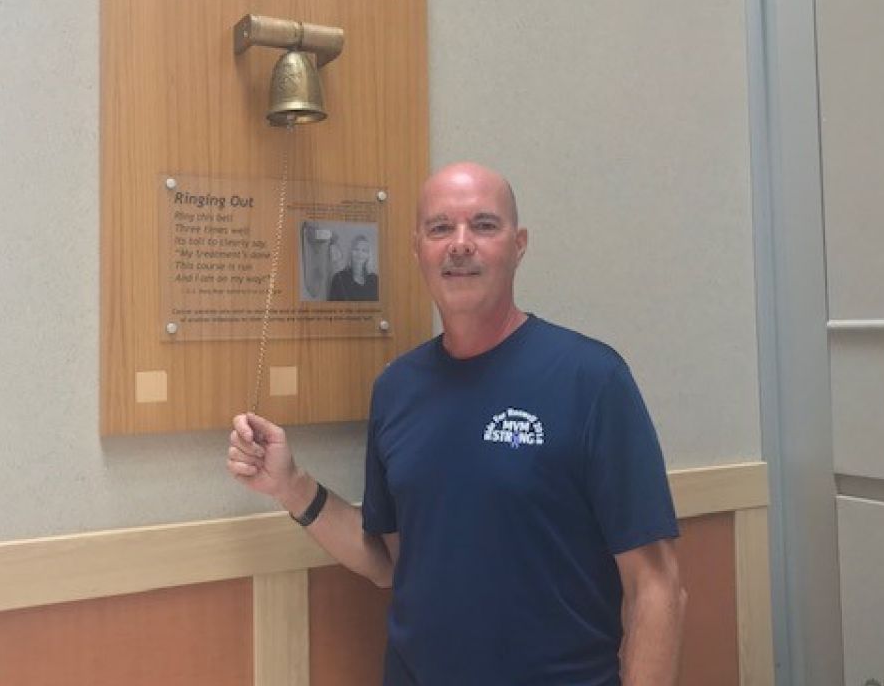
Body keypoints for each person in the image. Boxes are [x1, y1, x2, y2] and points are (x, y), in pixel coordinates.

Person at [227, 162, 686, 685]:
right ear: (417, 249)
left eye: (484, 225)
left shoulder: (591, 379)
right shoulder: (397, 388)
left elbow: (657, 584)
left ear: (519, 245)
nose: (460, 243)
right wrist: (291, 486)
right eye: (440, 227)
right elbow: (393, 563)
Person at [328, 234, 379, 301]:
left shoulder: (375, 280)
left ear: (368, 256)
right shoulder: (338, 278)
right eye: (356, 249)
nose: (359, 254)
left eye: (364, 250)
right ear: (350, 253)